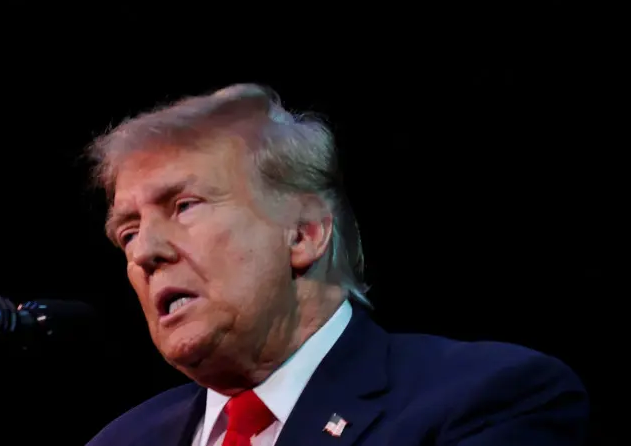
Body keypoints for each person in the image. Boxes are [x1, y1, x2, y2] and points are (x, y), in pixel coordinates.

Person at [84, 83, 587, 446]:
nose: (145, 252)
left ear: (304, 233)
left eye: (185, 206)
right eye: (127, 232)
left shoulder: (486, 401)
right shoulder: (120, 440)